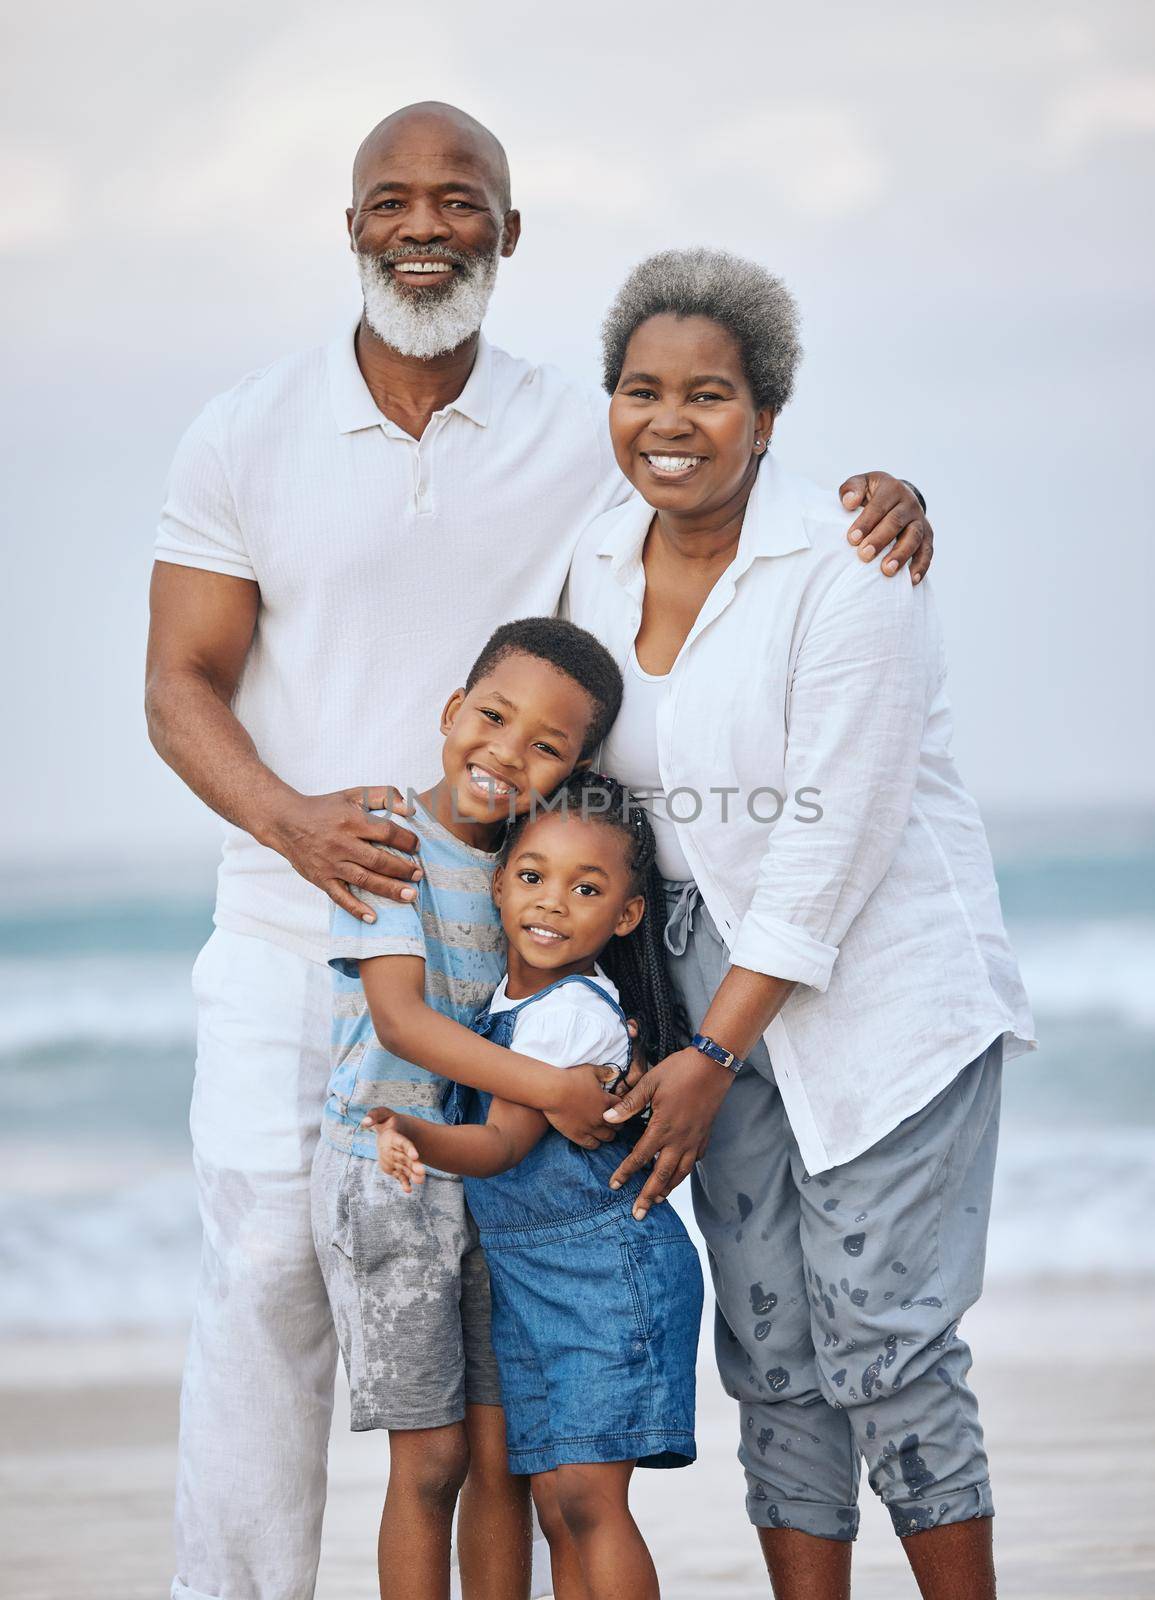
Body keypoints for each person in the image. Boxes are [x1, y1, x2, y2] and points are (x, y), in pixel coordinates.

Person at [145, 97, 934, 1600]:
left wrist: (879, 502)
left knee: (488, 1377)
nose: (424, 225)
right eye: (393, 199)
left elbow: (719, 469)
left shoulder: (581, 430)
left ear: (507, 234)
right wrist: (293, 821)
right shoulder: (244, 429)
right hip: (296, 923)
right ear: (353, 223)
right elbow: (177, 681)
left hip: (520, 955)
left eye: (460, 202)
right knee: (262, 1283)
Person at [562, 249, 1036, 1600]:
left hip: (877, 996)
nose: (668, 421)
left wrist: (709, 1058)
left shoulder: (851, 563)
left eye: (706, 394)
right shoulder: (590, 557)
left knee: (884, 1343)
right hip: (696, 1004)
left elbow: (832, 837)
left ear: (766, 416)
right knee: (771, 1358)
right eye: (640, 391)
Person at [311, 616, 638, 1600]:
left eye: (547, 745)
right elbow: (401, 1020)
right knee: (433, 1459)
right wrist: (555, 1092)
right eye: (493, 718)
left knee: (501, 1457)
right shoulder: (384, 837)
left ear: (571, 770)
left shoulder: (531, 875)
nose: (506, 752)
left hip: (495, 1186)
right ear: (453, 712)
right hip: (389, 1176)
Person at [370, 775, 704, 1600]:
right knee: (557, 1502)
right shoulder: (506, 1004)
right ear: (497, 883)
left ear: (625, 916)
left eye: (585, 889)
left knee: (590, 1501)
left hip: (604, 1276)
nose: (552, 903)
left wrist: (411, 1130)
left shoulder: (569, 1019)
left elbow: (498, 1144)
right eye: (532, 877)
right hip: (534, 1280)